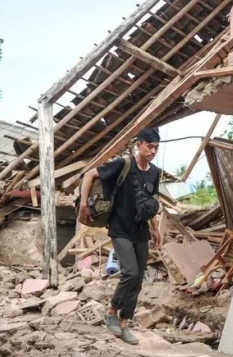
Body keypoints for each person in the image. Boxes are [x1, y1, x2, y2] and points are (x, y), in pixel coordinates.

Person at [79, 128, 162, 345]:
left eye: (156, 147)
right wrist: (82, 205)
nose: (153, 151)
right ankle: (111, 310)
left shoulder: (155, 172)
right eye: (149, 146)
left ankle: (124, 324)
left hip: (140, 230)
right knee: (130, 272)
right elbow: (89, 175)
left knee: (137, 280)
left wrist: (156, 229)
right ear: (139, 144)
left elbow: (150, 203)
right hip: (119, 227)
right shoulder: (123, 164)